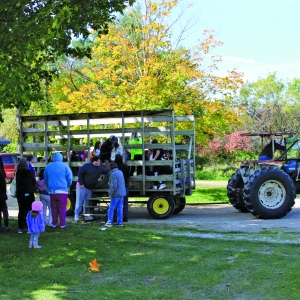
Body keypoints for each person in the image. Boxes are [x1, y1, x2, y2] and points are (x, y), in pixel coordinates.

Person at [75, 155, 109, 222]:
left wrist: (113, 169)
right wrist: (81, 183)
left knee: (87, 202)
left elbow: (106, 171)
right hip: (82, 186)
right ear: (94, 161)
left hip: (89, 188)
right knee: (79, 202)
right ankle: (76, 215)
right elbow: (80, 173)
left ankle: (86, 215)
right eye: (98, 161)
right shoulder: (87, 166)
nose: (99, 162)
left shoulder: (99, 168)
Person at [44, 152, 73, 229]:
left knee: (54, 208)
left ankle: (54, 223)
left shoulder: (48, 166)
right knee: (62, 208)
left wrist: (48, 187)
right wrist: (67, 185)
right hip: (62, 191)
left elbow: (45, 179)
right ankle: (62, 224)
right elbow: (70, 178)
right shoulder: (65, 166)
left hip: (52, 191)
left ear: (53, 158)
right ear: (61, 158)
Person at [16, 158, 36, 234]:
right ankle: (30, 226)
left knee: (21, 210)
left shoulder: (18, 173)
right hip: (29, 192)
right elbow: (34, 181)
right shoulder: (29, 172)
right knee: (30, 209)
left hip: (20, 193)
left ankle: (20, 227)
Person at [105, 162, 126, 227]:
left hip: (116, 194)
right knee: (119, 208)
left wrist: (110, 193)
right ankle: (119, 222)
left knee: (111, 208)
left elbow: (114, 186)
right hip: (122, 193)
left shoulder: (113, 174)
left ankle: (109, 222)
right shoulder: (120, 172)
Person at [115, 154, 130, 222]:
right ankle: (126, 217)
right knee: (125, 202)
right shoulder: (125, 166)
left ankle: (117, 217)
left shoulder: (115, 167)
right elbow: (128, 175)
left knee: (116, 203)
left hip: (117, 187)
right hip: (125, 185)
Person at [0, 157, 9, 231]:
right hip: (0, 195)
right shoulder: (1, 172)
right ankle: (6, 225)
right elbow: (3, 184)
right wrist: (4, 193)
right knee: (4, 209)